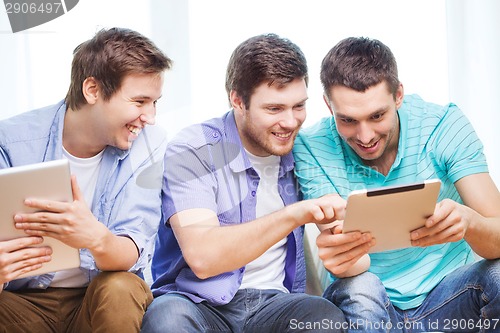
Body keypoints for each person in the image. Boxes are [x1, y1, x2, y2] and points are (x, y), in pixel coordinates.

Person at [141, 33, 346, 333]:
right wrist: (296, 213)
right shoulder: (194, 148)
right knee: (168, 320)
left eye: (298, 106)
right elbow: (203, 257)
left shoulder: (305, 149)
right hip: (198, 302)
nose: (290, 122)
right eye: (274, 109)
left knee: (323, 317)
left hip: (276, 304)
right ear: (237, 100)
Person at [293, 36, 500, 332]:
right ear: (328, 105)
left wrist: (470, 223)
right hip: (367, 302)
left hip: (451, 297)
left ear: (398, 95)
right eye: (348, 120)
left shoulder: (443, 125)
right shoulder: (311, 146)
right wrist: (341, 259)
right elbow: (351, 265)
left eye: (377, 116)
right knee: (360, 288)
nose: (365, 137)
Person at [0, 27, 172, 332]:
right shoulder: (11, 143)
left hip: (96, 298)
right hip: (21, 301)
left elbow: (133, 250)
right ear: (92, 90)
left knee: (122, 287)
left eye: (154, 103)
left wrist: (94, 237)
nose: (150, 117)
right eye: (139, 101)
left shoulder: (149, 143)